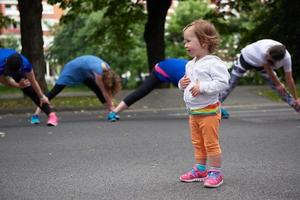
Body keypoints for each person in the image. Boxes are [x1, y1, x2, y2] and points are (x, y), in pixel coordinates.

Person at [178, 19, 230, 188]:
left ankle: (216, 172)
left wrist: (203, 87)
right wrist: (182, 84)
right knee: (197, 143)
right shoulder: (190, 64)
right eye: (184, 41)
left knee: (211, 143)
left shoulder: (213, 63)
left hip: (209, 112)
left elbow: (223, 83)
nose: (185, 44)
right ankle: (200, 170)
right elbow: (188, 83)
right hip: (194, 112)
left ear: (204, 41)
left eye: (188, 40)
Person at [219, 39, 300, 118]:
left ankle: (297, 106)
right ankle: (212, 105)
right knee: (231, 84)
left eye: (269, 59)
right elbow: (268, 68)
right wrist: (278, 84)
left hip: (261, 66)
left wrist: (296, 98)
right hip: (245, 59)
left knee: (280, 89)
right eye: (267, 55)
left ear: (277, 61)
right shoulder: (264, 51)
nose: (266, 56)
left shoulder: (287, 59)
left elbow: (289, 78)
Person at [30, 55, 121, 124]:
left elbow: (106, 90)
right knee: (54, 91)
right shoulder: (99, 75)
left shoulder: (108, 70)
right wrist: (113, 107)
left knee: (97, 90)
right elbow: (104, 91)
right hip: (72, 69)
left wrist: (112, 106)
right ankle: (35, 115)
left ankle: (111, 113)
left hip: (84, 72)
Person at [106, 58, 188, 122]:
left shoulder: (196, 72)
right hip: (160, 70)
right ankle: (114, 112)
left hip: (173, 71)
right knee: (140, 92)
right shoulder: (188, 76)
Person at [0, 48, 58, 126]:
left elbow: (33, 82)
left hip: (14, 64)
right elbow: (4, 81)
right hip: (2, 64)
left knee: (28, 87)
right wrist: (18, 85)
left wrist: (41, 97)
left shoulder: (26, 64)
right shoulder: (1, 64)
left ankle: (52, 115)